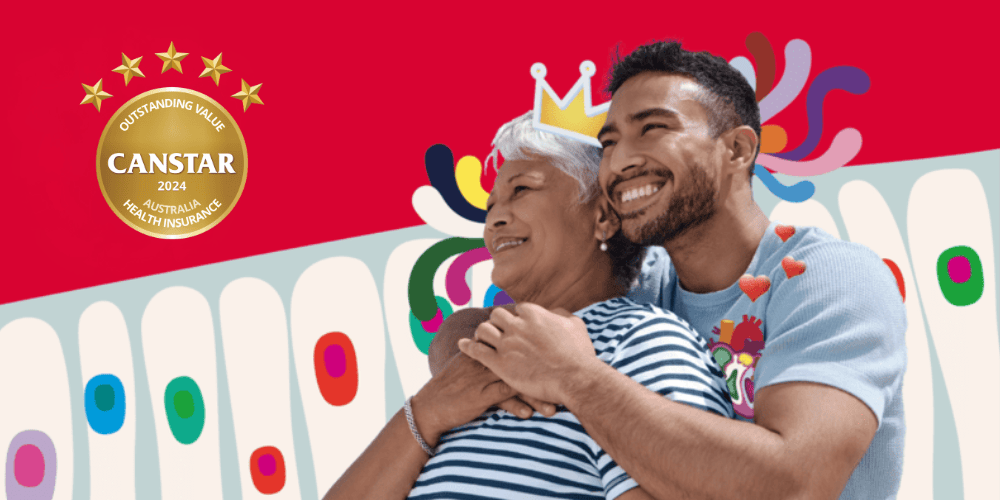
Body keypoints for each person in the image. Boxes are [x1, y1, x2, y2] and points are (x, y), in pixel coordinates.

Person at [442, 41, 907, 499]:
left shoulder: (828, 278)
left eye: (653, 128)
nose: (620, 162)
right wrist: (468, 350)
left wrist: (575, 378)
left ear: (738, 150)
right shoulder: (641, 286)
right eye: (609, 142)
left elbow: (795, 485)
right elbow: (490, 330)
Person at [325, 112, 732, 500]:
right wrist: (427, 411)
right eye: (489, 207)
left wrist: (577, 381)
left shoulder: (643, 340)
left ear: (604, 217)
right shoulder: (471, 364)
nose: (495, 219)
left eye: (521, 189)